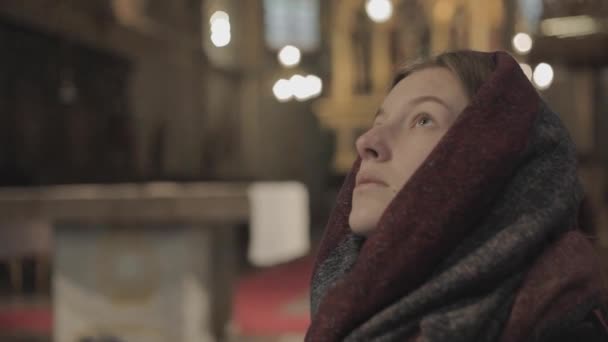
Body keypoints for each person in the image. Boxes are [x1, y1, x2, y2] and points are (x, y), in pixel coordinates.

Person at [306, 51, 608, 341]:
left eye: (423, 119)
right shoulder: (347, 310)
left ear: (493, 161)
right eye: (378, 123)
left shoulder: (562, 330)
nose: (366, 142)